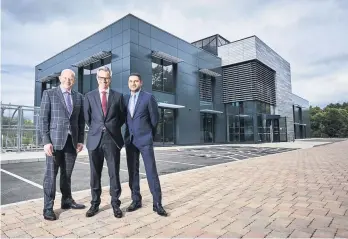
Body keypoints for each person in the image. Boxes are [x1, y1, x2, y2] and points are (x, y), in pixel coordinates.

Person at [39, 69, 85, 221]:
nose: (68, 80)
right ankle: (48, 208)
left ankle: (66, 200)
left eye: (71, 78)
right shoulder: (49, 94)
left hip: (71, 143)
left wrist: (80, 140)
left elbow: (80, 121)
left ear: (74, 80)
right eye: (65, 78)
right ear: (60, 78)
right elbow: (43, 119)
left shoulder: (79, 97)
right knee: (50, 176)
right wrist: (46, 141)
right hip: (54, 142)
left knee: (67, 175)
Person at [83, 66, 125, 218]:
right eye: (101, 78)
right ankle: (95, 204)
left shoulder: (118, 96)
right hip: (94, 139)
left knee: (114, 173)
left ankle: (115, 204)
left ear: (110, 79)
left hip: (112, 140)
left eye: (106, 78)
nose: (104, 80)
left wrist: (111, 128)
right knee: (95, 174)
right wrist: (98, 128)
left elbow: (122, 117)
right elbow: (87, 118)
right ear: (97, 79)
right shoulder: (89, 96)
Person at [124, 73, 167, 216]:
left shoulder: (148, 97)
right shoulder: (125, 99)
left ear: (140, 83)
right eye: (130, 81)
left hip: (145, 140)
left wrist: (149, 135)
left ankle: (157, 203)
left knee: (151, 171)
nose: (133, 83)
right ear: (128, 83)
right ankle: (136, 200)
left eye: (135, 81)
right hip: (130, 141)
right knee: (133, 172)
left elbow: (155, 120)